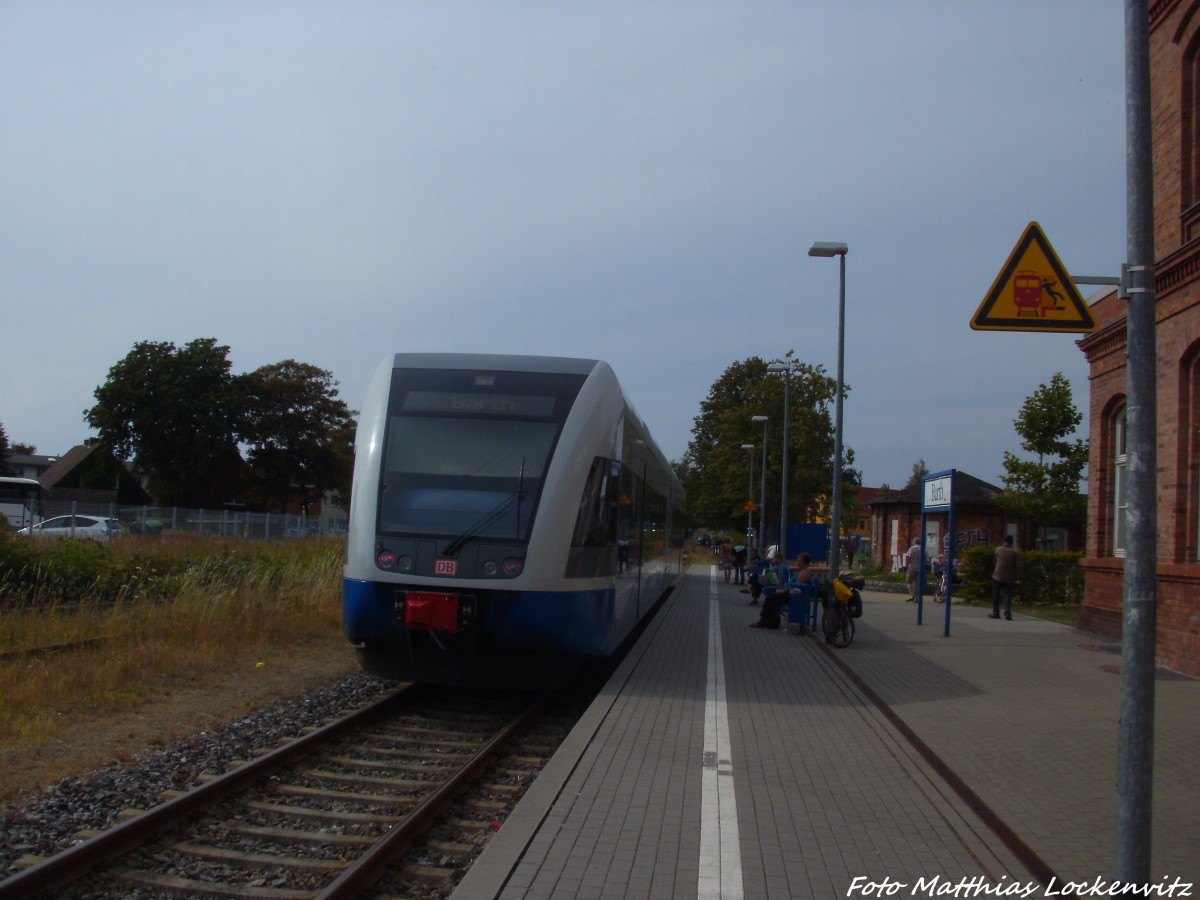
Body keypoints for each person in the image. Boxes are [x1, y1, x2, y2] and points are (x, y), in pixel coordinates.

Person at [752, 551, 812, 629]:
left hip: (792, 595)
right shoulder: (803, 571)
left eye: (799, 561)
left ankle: (762, 621)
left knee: (770, 599)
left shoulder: (804, 573)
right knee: (770, 598)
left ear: (804, 562)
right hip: (790, 593)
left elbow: (794, 586)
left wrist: (781, 591)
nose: (798, 563)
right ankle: (765, 620)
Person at [989, 534, 1019, 620]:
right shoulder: (1014, 553)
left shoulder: (998, 549)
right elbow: (1017, 567)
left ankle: (995, 613)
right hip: (1009, 577)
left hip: (997, 575)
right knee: (1008, 595)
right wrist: (1016, 576)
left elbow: (994, 561)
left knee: (996, 594)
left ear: (1004, 541)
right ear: (1012, 543)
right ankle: (1007, 613)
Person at [905, 537, 922, 602]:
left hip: (912, 568)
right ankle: (916, 597)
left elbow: (909, 557)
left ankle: (911, 595)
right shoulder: (922, 549)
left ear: (914, 542)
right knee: (917, 583)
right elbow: (927, 559)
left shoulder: (912, 548)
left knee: (909, 582)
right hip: (920, 568)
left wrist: (907, 565)